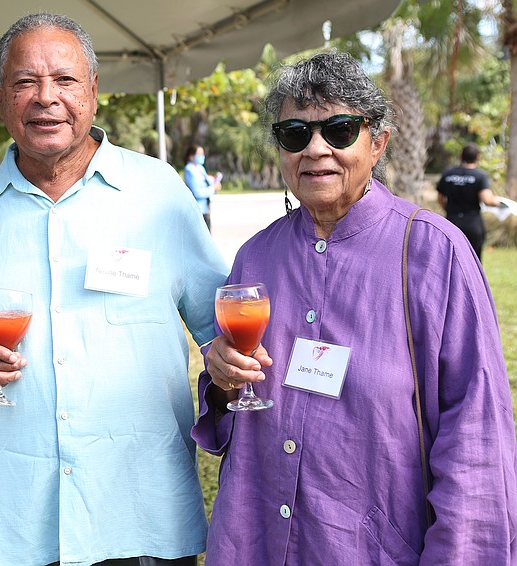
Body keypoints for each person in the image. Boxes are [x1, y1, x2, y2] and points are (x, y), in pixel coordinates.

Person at [192, 51, 517, 565]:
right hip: (255, 542)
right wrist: (223, 377)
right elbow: (232, 413)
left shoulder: (435, 254)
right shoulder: (256, 256)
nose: (315, 148)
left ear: (378, 142)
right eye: (295, 133)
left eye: (339, 130)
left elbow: (477, 441)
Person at [0, 12, 229, 566]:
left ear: (93, 89)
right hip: (27, 521)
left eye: (64, 80)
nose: (46, 98)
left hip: (143, 510)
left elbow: (221, 324)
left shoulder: (157, 192)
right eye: (25, 81)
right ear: (1, 95)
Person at [436, 142, 500, 261]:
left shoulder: (448, 174)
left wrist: (450, 210)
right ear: (478, 157)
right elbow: (486, 200)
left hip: (452, 221)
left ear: (461, 156)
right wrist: (497, 201)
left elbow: (440, 199)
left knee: (451, 259)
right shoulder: (479, 176)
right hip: (472, 223)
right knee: (473, 261)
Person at [183, 144, 222, 230]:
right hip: (197, 211)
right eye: (199, 154)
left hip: (205, 208)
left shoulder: (200, 168)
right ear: (191, 156)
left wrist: (215, 183)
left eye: (202, 154)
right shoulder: (189, 170)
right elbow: (197, 193)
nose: (202, 157)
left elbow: (207, 180)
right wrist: (213, 189)